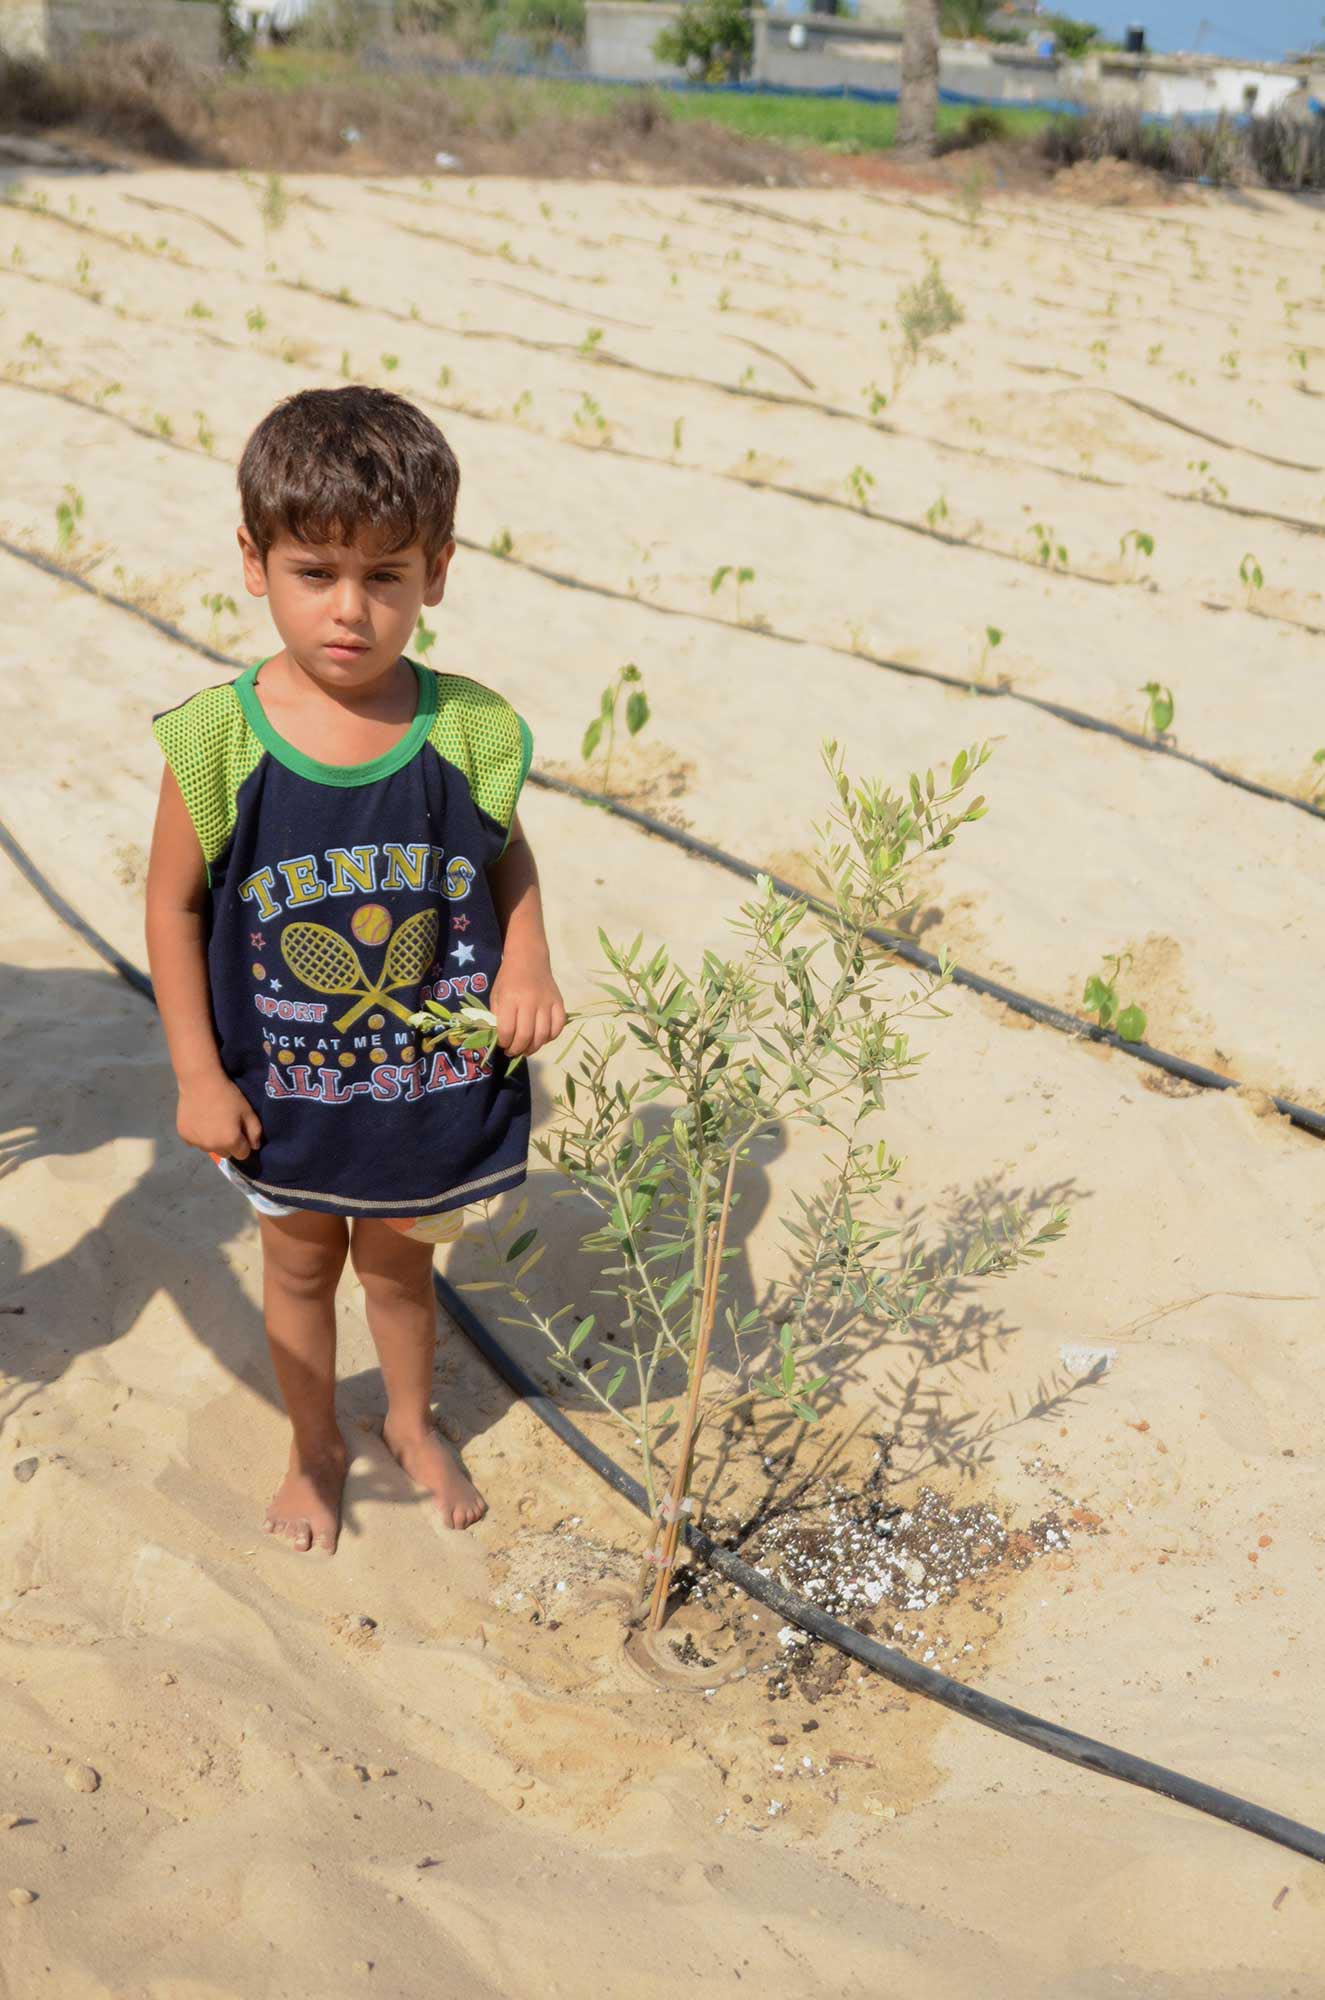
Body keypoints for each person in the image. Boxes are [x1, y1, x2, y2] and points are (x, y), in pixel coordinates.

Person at [144, 385, 566, 1556]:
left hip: (420, 1084)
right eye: (315, 571)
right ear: (253, 559)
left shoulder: (467, 729)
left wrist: (523, 953)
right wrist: (195, 1072)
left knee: (397, 1270)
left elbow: (506, 848)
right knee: (296, 1266)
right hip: (279, 1094)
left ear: (436, 571)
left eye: (385, 577)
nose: (349, 610)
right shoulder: (217, 739)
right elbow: (172, 906)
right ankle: (313, 1442)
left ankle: (412, 1419)